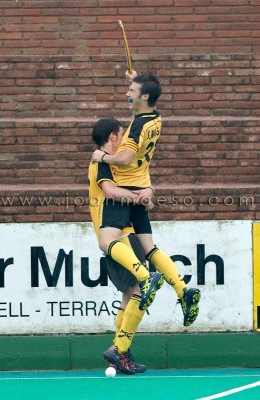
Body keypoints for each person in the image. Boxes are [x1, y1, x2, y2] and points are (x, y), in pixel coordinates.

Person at [91, 71, 201, 333]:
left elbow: (125, 159)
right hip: (143, 187)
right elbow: (144, 101)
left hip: (127, 187)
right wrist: (139, 78)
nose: (127, 94)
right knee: (149, 248)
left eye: (131, 90)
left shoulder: (137, 126)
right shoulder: (156, 118)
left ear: (145, 96)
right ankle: (182, 289)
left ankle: (145, 276)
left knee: (107, 242)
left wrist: (101, 157)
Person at [88, 117, 158, 374]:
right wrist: (140, 198)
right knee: (140, 287)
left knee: (129, 293)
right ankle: (119, 349)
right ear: (113, 137)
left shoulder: (115, 164)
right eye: (123, 135)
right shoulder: (100, 161)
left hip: (124, 232)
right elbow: (111, 192)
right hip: (115, 237)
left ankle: (122, 352)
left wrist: (147, 191)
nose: (128, 141)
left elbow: (136, 185)